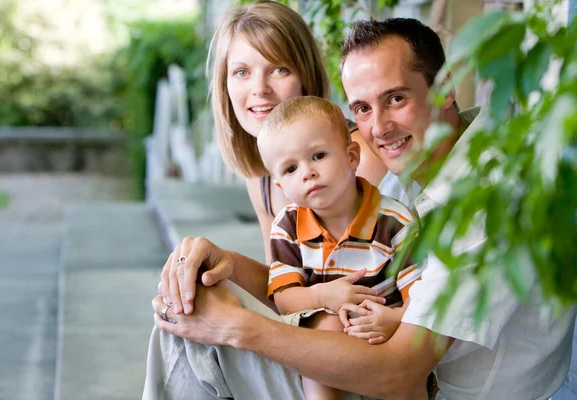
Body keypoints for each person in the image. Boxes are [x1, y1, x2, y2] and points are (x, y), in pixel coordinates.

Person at [145, 16, 575, 400]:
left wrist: (236, 327)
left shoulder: (481, 198)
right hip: (389, 368)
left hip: (426, 387)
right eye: (363, 108)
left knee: (193, 335)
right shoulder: (414, 175)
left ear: (445, 90)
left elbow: (398, 374)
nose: (378, 127)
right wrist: (230, 263)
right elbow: (319, 282)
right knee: (198, 298)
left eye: (396, 99)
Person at [197, 0, 393, 272]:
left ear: (306, 77)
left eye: (279, 69)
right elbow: (281, 283)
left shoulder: (357, 157)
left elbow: (376, 294)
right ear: (225, 85)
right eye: (242, 72)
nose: (260, 89)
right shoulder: (259, 169)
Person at [257, 96, 424, 399]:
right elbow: (284, 298)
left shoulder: (395, 222)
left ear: (351, 156)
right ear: (280, 186)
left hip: (381, 343)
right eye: (291, 169)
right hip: (323, 355)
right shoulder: (287, 227)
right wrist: (324, 296)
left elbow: (420, 296)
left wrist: (395, 321)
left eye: (318, 156)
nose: (307, 172)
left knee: (413, 371)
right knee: (326, 327)